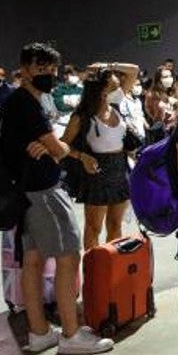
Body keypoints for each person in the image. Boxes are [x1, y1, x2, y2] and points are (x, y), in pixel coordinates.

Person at [0, 43, 113, 355]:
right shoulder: (25, 104)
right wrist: (61, 149)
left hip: (24, 192)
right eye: (40, 69)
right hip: (43, 192)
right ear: (24, 69)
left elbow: (51, 146)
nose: (47, 75)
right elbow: (58, 148)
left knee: (33, 261)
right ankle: (72, 334)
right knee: (67, 258)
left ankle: (39, 332)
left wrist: (53, 147)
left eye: (51, 69)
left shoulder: (19, 102)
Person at [62, 71, 135, 250]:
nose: (119, 89)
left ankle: (112, 267)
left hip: (119, 167)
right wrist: (81, 156)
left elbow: (132, 71)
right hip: (96, 170)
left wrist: (110, 67)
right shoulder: (82, 116)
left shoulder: (115, 108)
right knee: (94, 227)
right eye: (114, 86)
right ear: (101, 90)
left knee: (115, 224)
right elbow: (63, 144)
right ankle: (93, 268)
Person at [51, 65, 85, 137]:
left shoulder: (81, 89)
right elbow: (60, 105)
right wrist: (75, 102)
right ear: (65, 76)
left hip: (78, 125)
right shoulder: (58, 89)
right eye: (72, 74)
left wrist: (66, 100)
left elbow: (84, 105)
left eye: (75, 75)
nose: (75, 76)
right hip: (61, 125)